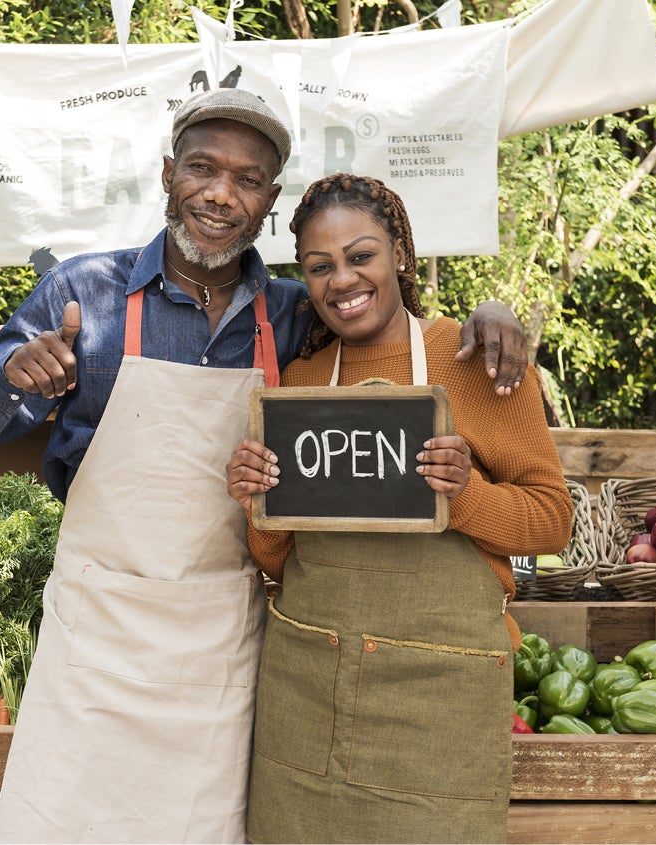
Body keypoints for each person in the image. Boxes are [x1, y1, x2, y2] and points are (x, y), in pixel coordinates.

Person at [0, 89, 529, 843]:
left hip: (222, 641)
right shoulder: (85, 293)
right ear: (169, 173)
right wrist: (11, 376)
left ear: (269, 201)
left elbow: (380, 313)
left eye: (247, 179)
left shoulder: (293, 312)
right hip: (97, 639)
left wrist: (489, 314)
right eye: (203, 168)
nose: (220, 193)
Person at [225, 173, 573, 844]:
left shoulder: (476, 362)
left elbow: (551, 519)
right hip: (308, 692)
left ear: (401, 254)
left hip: (436, 700)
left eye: (362, 256)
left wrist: (464, 495)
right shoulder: (298, 385)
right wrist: (256, 501)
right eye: (319, 267)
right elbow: (277, 559)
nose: (341, 279)